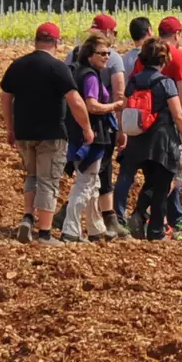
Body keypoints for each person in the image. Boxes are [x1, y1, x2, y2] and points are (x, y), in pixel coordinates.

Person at [0, 23, 93, 242]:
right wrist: (87, 128)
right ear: (57, 43)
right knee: (48, 181)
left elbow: (5, 97)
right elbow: (75, 101)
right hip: (52, 134)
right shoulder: (57, 68)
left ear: (35, 40)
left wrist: (10, 127)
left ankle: (27, 217)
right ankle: (45, 233)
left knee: (32, 176)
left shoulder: (18, 65)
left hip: (23, 132)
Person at [123, 38, 182, 240]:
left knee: (151, 182)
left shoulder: (134, 81)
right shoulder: (166, 83)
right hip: (163, 142)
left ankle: (138, 215)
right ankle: (155, 230)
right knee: (162, 186)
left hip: (139, 139)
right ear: (164, 59)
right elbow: (179, 115)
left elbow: (124, 106)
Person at [61, 35, 123, 241]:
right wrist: (114, 106)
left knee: (93, 181)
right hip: (92, 136)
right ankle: (70, 229)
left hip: (81, 134)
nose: (106, 57)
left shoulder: (79, 73)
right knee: (86, 182)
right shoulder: (90, 77)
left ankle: (96, 228)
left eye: (108, 53)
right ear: (89, 55)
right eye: (102, 53)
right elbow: (92, 105)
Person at [155, 16, 182, 235]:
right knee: (175, 170)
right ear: (176, 35)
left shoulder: (147, 54)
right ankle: (158, 217)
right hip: (172, 119)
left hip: (149, 120)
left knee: (160, 170)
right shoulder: (177, 56)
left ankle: (172, 216)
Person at [111, 15, 155, 226]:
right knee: (154, 173)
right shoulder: (152, 59)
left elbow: (121, 94)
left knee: (126, 172)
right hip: (149, 121)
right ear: (149, 32)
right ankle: (142, 214)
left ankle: (118, 214)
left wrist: (121, 127)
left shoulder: (123, 59)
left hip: (129, 120)